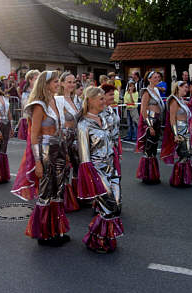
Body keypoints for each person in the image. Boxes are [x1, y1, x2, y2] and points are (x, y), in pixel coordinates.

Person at [11, 71, 70, 247]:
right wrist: (37, 162)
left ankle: (57, 230)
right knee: (46, 192)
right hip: (45, 152)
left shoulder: (56, 101)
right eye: (54, 82)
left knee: (58, 191)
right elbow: (34, 135)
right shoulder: (38, 106)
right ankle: (44, 233)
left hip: (59, 149)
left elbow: (61, 128)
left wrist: (65, 152)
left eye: (58, 82)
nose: (58, 84)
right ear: (45, 84)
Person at [77, 86, 123, 253]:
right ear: (90, 101)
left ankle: (104, 238)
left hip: (111, 168)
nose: (105, 101)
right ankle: (97, 240)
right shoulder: (83, 124)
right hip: (97, 171)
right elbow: (84, 157)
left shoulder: (104, 118)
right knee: (109, 206)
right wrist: (92, 180)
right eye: (101, 99)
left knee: (116, 205)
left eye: (105, 98)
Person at [160, 81, 192, 187]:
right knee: (183, 156)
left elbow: (191, 104)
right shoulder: (174, 100)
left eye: (187, 88)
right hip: (180, 131)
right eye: (185, 87)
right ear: (178, 88)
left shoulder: (181, 100)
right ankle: (178, 179)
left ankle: (183, 179)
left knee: (187, 155)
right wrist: (175, 134)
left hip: (185, 130)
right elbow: (172, 119)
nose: (186, 89)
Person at [136, 71, 165, 184]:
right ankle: (147, 175)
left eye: (158, 77)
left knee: (153, 149)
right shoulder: (146, 92)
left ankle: (153, 174)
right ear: (149, 79)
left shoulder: (156, 90)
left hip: (157, 120)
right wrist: (149, 126)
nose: (157, 79)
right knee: (149, 148)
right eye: (154, 77)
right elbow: (143, 110)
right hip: (150, 121)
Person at [57, 71, 80, 212]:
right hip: (64, 138)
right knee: (65, 169)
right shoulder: (58, 99)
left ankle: (79, 196)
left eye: (73, 82)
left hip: (76, 137)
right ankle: (65, 200)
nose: (72, 85)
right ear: (62, 83)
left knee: (78, 166)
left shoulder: (76, 98)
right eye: (69, 82)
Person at [101, 84, 122, 177]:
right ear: (103, 95)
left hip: (113, 146)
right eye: (110, 95)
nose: (113, 97)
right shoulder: (99, 111)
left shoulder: (110, 108)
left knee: (115, 176)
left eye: (113, 94)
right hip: (104, 150)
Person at [17, 70, 40, 140]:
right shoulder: (26, 93)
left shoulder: (39, 91)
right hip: (30, 119)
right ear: (30, 80)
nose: (38, 81)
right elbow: (27, 108)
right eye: (36, 79)